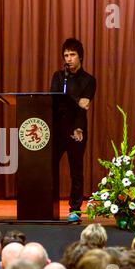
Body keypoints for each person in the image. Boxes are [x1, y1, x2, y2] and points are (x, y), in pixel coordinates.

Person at [50, 38, 96, 222]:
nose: (68, 59)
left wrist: (73, 103)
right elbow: (54, 100)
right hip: (57, 129)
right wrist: (76, 101)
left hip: (77, 130)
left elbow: (83, 106)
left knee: (76, 170)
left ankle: (75, 209)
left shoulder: (89, 80)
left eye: (72, 55)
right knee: (48, 167)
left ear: (80, 57)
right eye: (66, 55)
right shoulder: (58, 77)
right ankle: (47, 205)